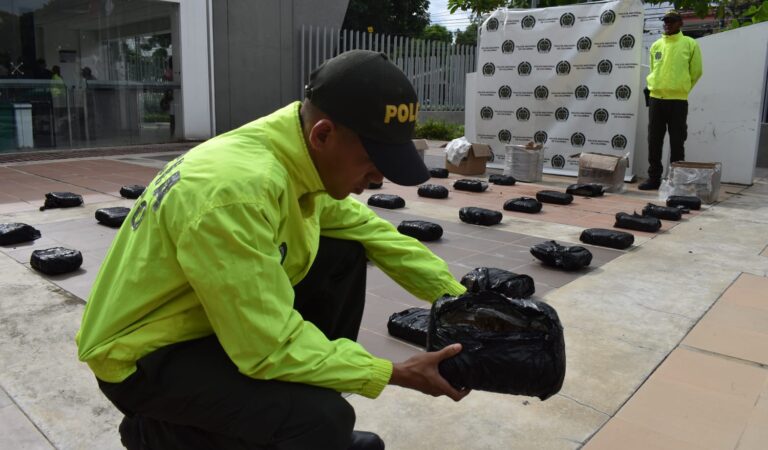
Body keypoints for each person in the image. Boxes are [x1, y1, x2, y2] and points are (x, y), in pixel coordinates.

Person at [76, 50, 470, 450]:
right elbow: (266, 347)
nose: (378, 178)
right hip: (142, 355)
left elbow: (372, 232)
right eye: (372, 161)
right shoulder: (237, 193)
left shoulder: (293, 155)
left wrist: (463, 301)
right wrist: (393, 372)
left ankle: (275, 417)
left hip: (201, 320)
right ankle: (160, 433)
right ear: (323, 134)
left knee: (344, 250)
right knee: (324, 419)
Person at [639, 10, 703, 190]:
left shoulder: (690, 44)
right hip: (656, 100)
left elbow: (696, 71)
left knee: (677, 141)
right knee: (654, 140)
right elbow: (653, 71)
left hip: (678, 101)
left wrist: (681, 89)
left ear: (680, 23)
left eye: (672, 21)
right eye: (665, 21)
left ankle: (677, 180)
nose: (667, 24)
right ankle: (654, 179)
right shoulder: (656, 45)